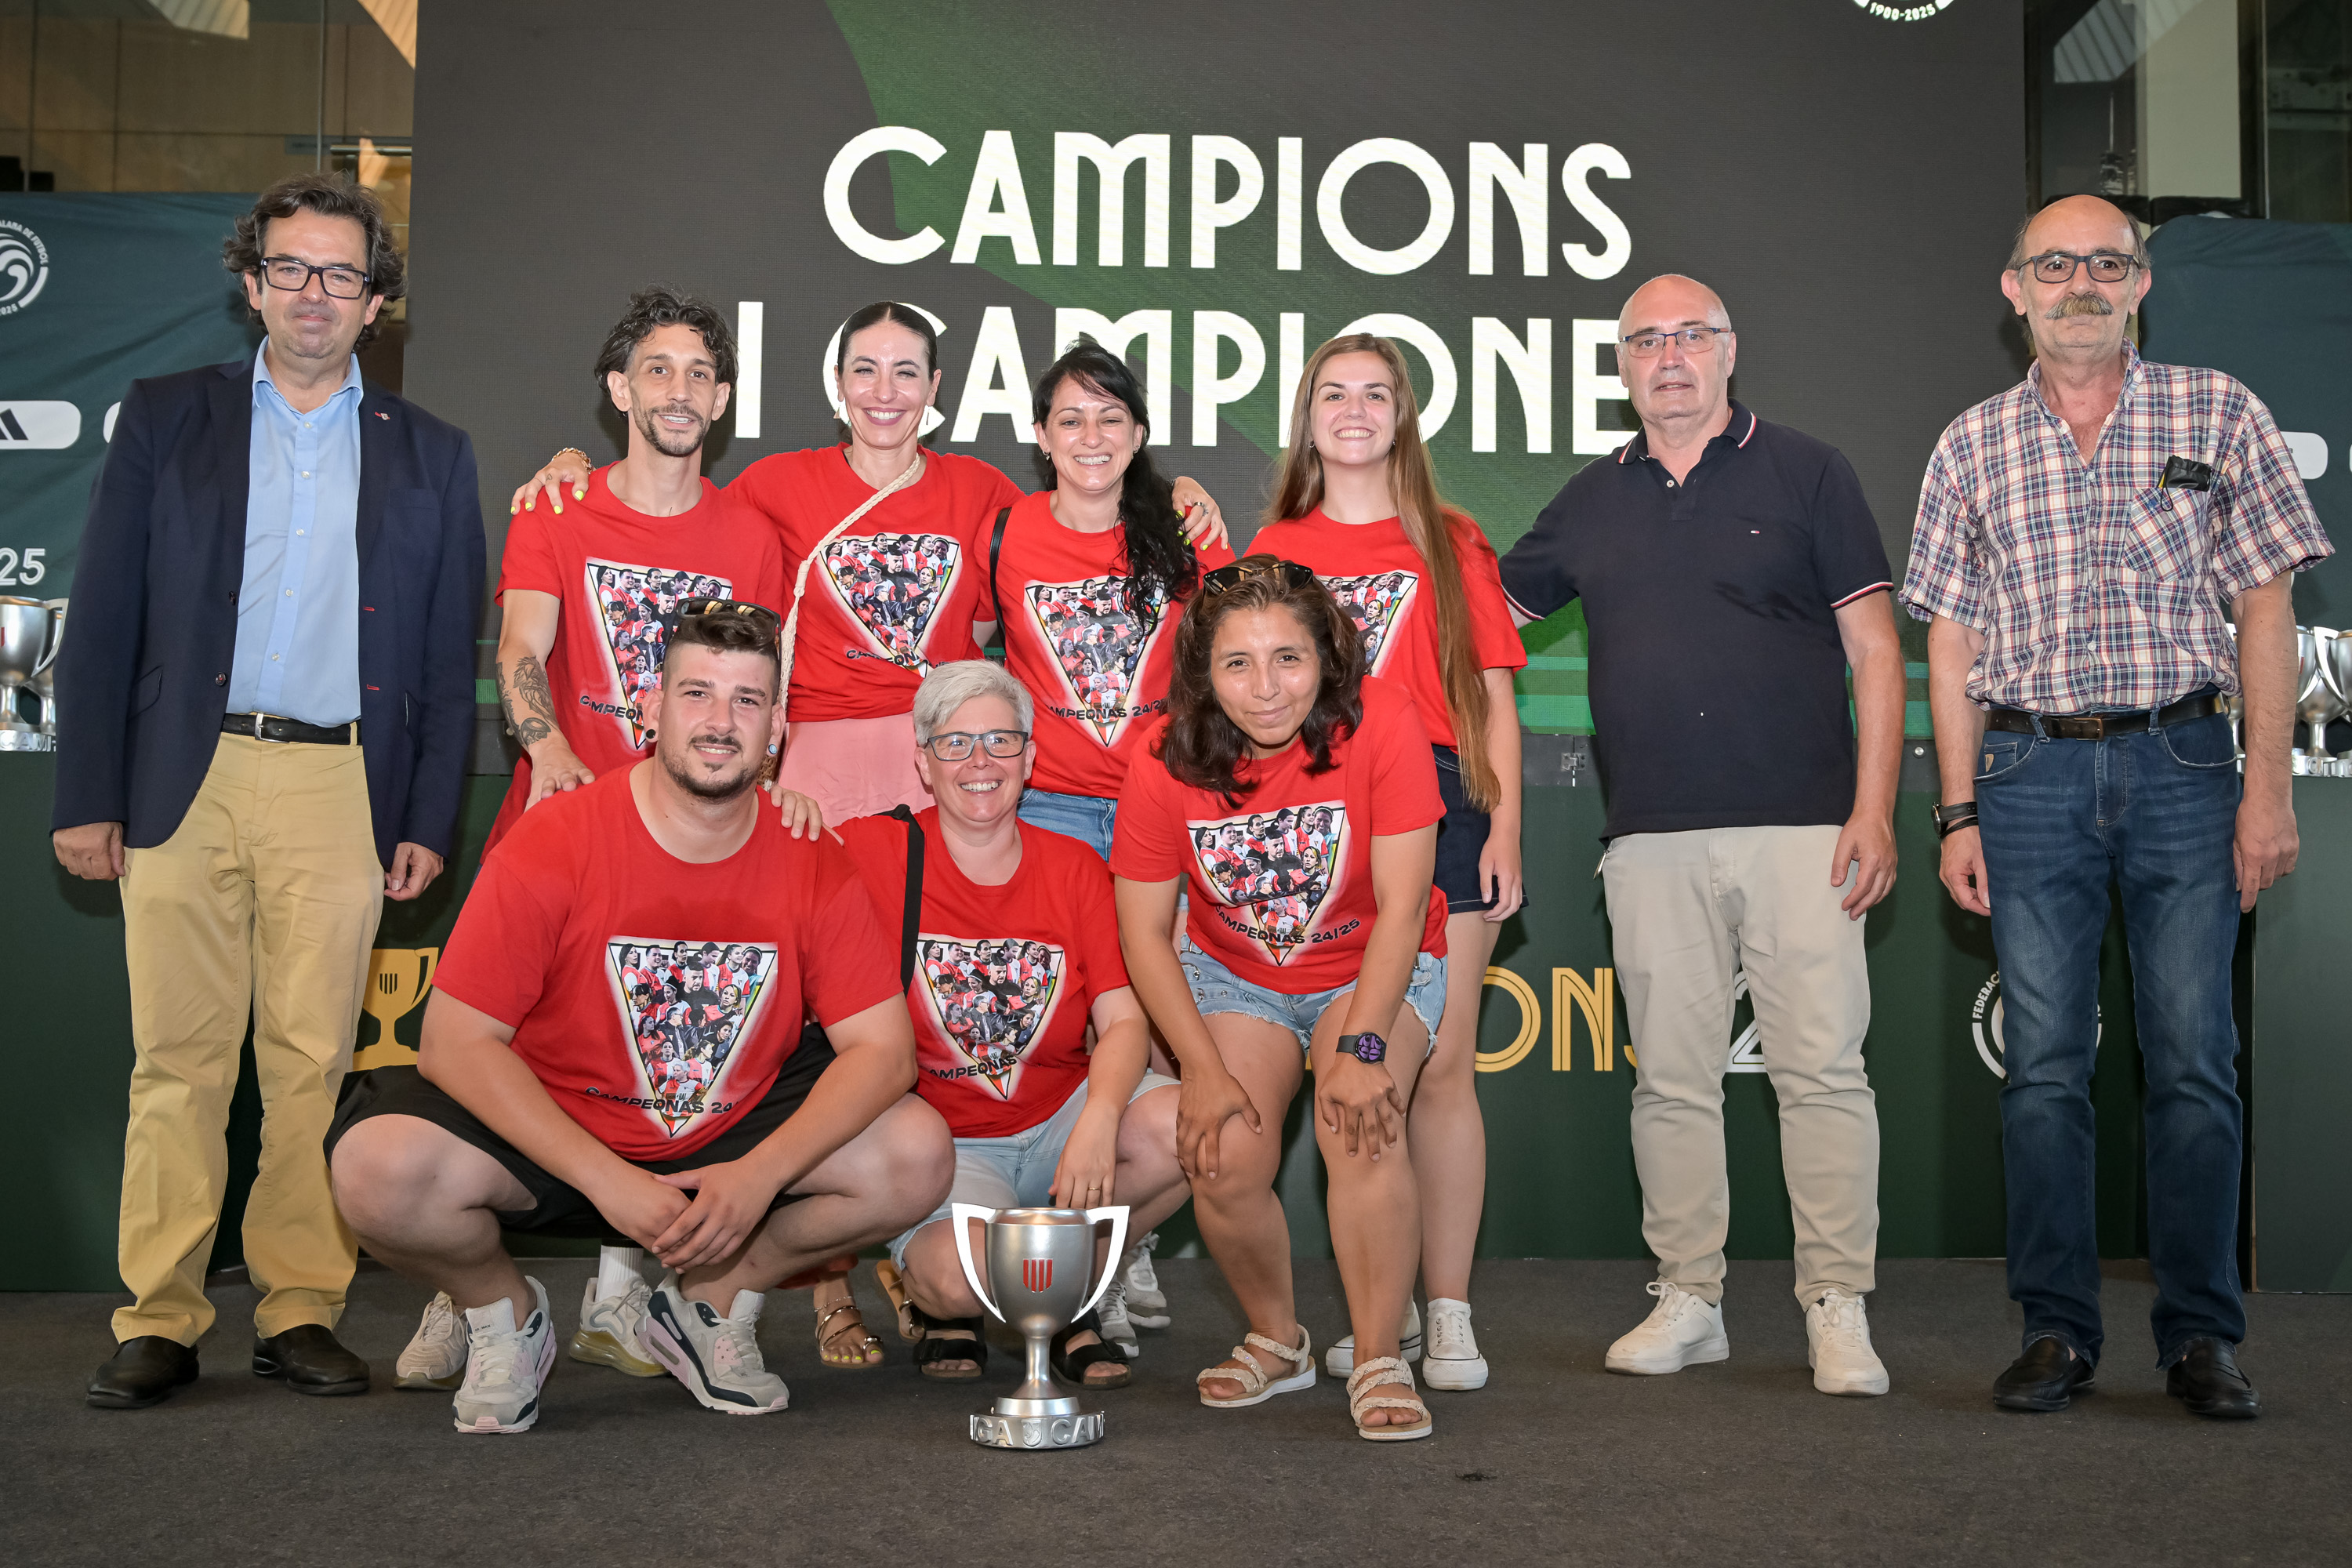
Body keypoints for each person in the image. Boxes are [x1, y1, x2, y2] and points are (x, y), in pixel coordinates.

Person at [54, 175, 483, 1410]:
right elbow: (105, 614)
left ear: (375, 302)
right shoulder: (165, 417)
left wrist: (423, 817)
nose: (313, 293)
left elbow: (442, 660)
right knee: (176, 1063)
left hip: (339, 783)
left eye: (340, 274)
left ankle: (299, 1307)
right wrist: (88, 794)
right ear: (252, 284)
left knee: (310, 1065)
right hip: (179, 776)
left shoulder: (432, 454)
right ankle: (160, 1316)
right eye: (290, 268)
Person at [1904, 196, 2330, 1421]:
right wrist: (1957, 813)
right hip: (2027, 778)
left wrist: (2266, 789)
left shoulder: (2219, 411)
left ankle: (2202, 1337)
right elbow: (1950, 641)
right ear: (2015, 290)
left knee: (2195, 1063)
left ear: (2141, 284)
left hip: (2187, 769)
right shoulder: (1971, 443)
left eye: (2106, 262)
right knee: (2043, 1071)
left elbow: (2264, 610)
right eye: (2055, 265)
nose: (2080, 283)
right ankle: (2057, 1331)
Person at [324, 605, 953, 1432]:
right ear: (651, 709)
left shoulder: (811, 854)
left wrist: (759, 1174)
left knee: (915, 1154)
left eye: (747, 700)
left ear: (777, 729)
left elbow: (883, 1051)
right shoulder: (557, 837)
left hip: (728, 1133)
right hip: (564, 1131)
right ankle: (503, 1312)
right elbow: (453, 1041)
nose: (721, 721)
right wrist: (605, 1178)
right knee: (375, 1168)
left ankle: (710, 1302)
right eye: (697, 693)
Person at [1497, 274, 1903, 1398]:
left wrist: (1874, 809)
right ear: (1622, 365)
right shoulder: (1591, 499)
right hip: (1651, 837)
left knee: (1821, 1074)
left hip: (1806, 828)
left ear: (1730, 350)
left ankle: (1837, 1303)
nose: (1669, 357)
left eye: (1691, 336)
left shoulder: (1810, 470)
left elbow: (1876, 650)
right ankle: (1690, 1296)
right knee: (1671, 1084)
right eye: (1647, 341)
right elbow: (1480, 614)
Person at [506, 303, 1225, 824]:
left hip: (938, 758)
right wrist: (572, 463)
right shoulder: (774, 485)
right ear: (839, 383)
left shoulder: (983, 492)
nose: (885, 393)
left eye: (906, 372)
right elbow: (672, 506)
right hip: (812, 765)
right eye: (865, 371)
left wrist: (1177, 490)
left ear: (934, 388)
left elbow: (1084, 506)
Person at [1112, 557, 1449, 1442]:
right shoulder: (1162, 754)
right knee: (1218, 1147)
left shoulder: (1384, 720)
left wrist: (1363, 1049)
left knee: (1359, 1119)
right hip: (1237, 975)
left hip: (1372, 967)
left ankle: (1378, 1353)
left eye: (1288, 658)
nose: (1265, 689)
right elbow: (1144, 933)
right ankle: (1277, 1338)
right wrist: (1200, 1070)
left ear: (1325, 658)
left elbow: (1404, 906)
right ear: (1203, 671)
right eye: (1238, 663)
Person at [1250, 332, 1528, 1389]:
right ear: (1309, 416)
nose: (1355, 410)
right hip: (1315, 818)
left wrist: (1504, 825)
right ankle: (1386, 1308)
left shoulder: (1450, 538)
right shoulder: (1275, 545)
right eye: (1335, 393)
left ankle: (1446, 1313)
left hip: (1445, 804)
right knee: (1365, 1069)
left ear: (1402, 414)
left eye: (1376, 393)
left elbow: (1491, 692)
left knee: (1443, 1065)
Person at [836, 660, 1189, 1381]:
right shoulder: (874, 851)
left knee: (1198, 1130)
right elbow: (761, 850)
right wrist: (781, 804)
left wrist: (1099, 1121)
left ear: (1030, 759)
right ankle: (982, 1302)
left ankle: (1067, 1298)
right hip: (950, 1149)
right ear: (923, 761)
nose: (980, 762)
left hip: (1059, 1123)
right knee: (956, 1281)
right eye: (955, 743)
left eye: (1001, 741)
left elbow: (1123, 1020)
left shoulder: (1075, 867)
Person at [989, 339, 1236, 861]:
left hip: (1168, 798)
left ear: (1138, 434)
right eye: (1071, 421)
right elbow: (961, 655)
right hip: (1045, 807)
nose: (1092, 437)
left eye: (1111, 419)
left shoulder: (1191, 529)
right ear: (1042, 436)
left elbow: (1239, 662)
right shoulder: (1004, 535)